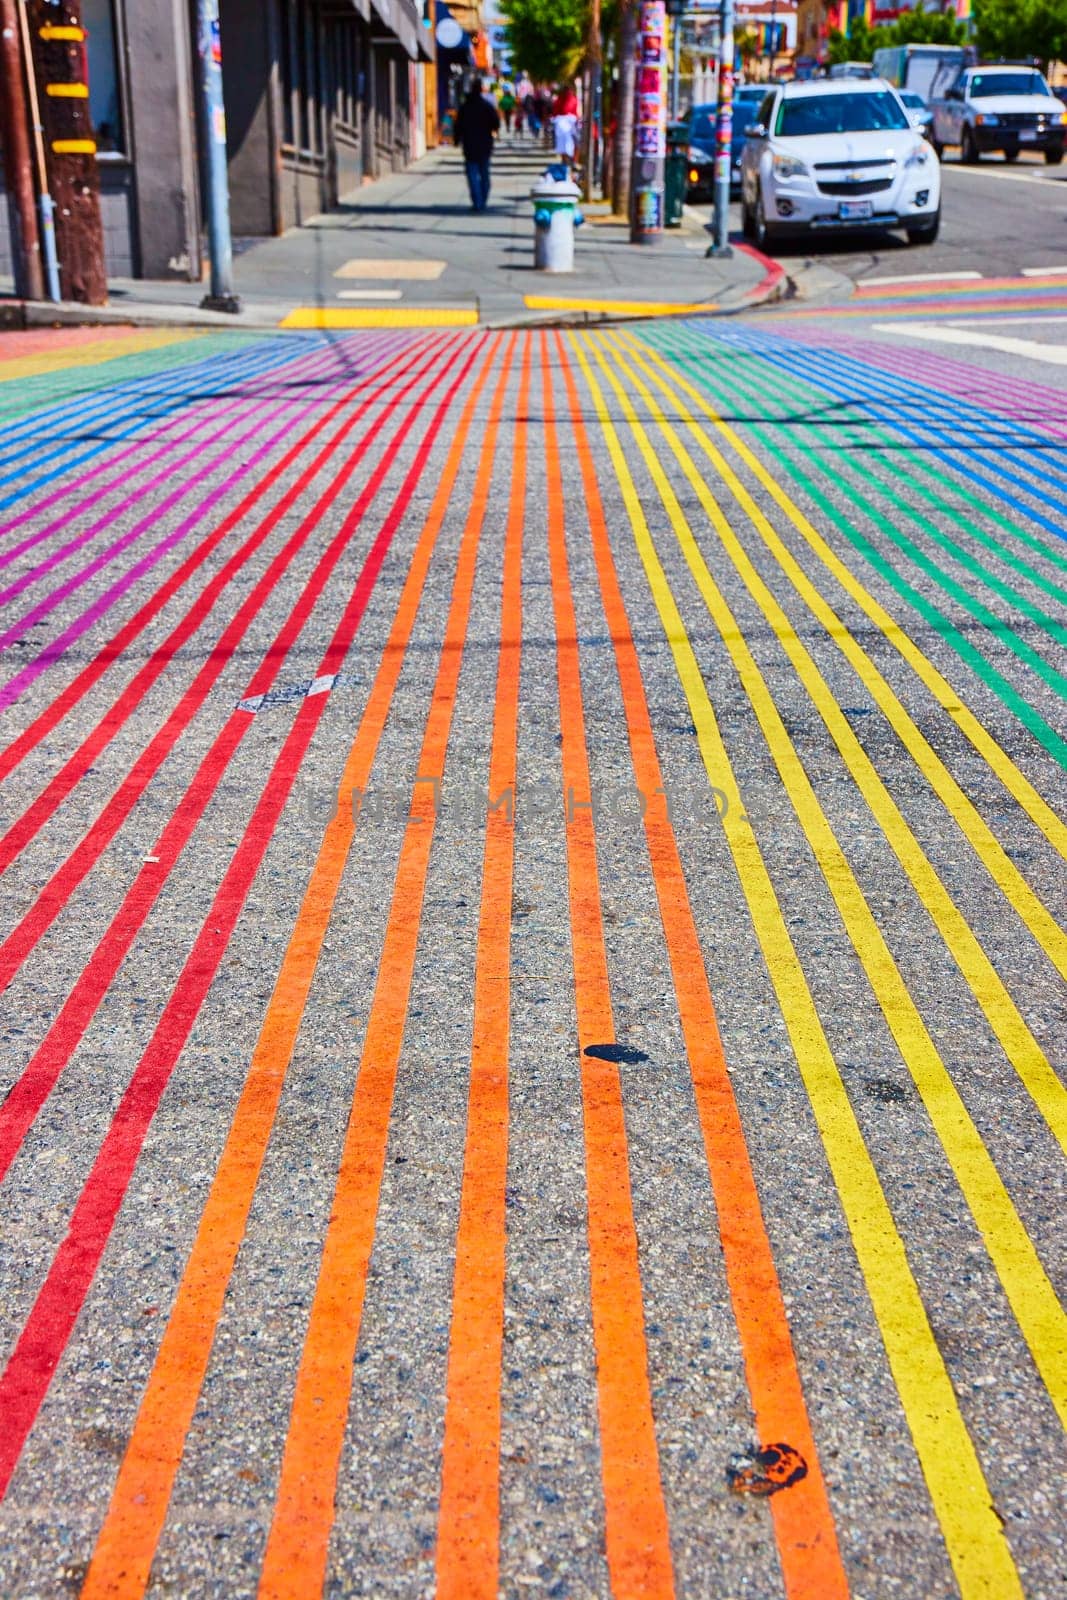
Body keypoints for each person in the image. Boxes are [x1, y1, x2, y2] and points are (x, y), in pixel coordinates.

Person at [454, 79, 501, 212]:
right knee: (484, 173)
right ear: (481, 90)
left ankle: (477, 202)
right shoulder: (487, 106)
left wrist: (457, 139)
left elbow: (458, 125)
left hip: (469, 145)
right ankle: (483, 200)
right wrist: (492, 131)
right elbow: (496, 123)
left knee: (472, 174)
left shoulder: (465, 107)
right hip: (485, 145)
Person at [552, 85, 580, 170]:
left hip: (571, 125)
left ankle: (572, 161)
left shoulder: (573, 100)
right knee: (563, 144)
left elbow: (576, 112)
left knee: (575, 143)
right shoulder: (559, 100)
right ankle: (567, 161)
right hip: (562, 125)